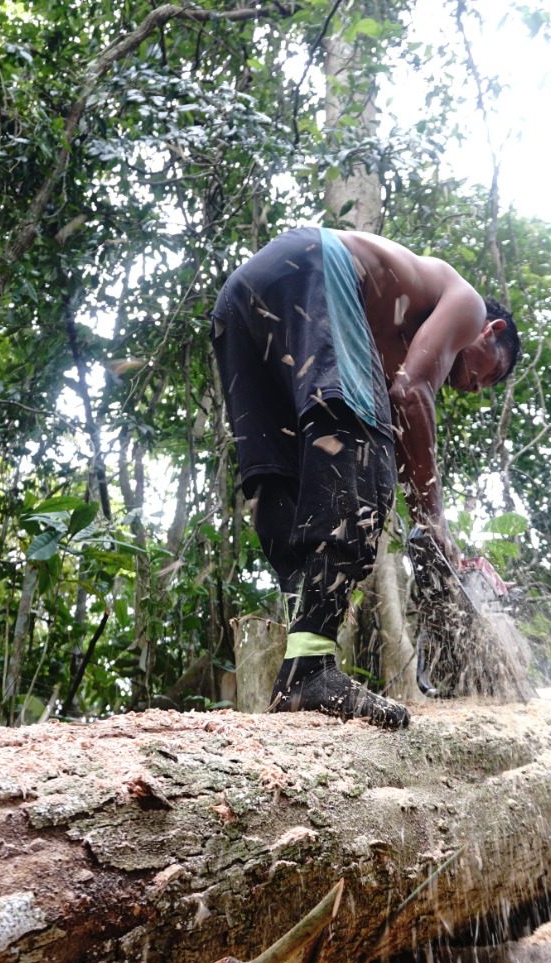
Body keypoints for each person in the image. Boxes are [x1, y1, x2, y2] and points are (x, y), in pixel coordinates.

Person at [211, 227, 521, 729]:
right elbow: (409, 395)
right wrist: (434, 519)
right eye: (486, 373)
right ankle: (310, 670)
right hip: (317, 268)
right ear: (494, 331)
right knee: (359, 477)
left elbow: (394, 429)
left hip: (242, 298)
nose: (472, 385)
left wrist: (443, 548)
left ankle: (300, 668)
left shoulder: (388, 333)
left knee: (286, 480)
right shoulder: (465, 305)